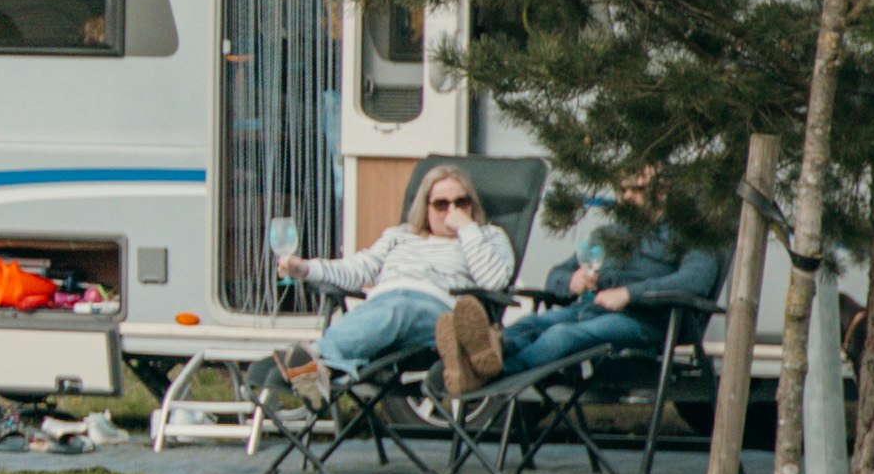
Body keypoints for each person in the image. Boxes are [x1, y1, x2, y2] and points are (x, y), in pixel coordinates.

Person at [489, 165, 729, 402]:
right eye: (621, 190)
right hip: (588, 312)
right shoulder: (610, 234)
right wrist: (572, 281)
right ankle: (484, 356)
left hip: (644, 321)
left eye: (637, 190)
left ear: (662, 191)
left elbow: (695, 281)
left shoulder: (692, 235)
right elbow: (556, 275)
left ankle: (495, 374)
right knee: (530, 324)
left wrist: (629, 294)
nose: (626, 197)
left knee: (561, 335)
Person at [275, 174, 515, 395]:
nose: (452, 211)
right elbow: (357, 269)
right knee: (386, 309)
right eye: (441, 204)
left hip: (438, 313)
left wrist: (467, 229)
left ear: (472, 205)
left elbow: (494, 280)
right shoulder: (400, 235)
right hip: (382, 303)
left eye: (461, 203)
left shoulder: (488, 236)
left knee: (398, 309)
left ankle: (315, 358)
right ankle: (324, 369)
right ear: (426, 209)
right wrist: (304, 268)